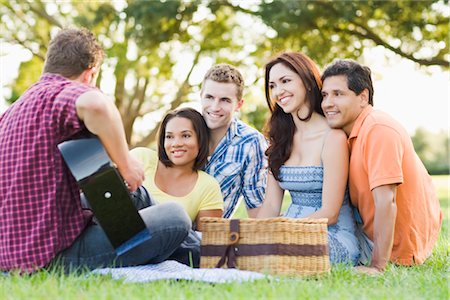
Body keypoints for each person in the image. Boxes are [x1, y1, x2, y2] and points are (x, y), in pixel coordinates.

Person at [0, 28, 191, 273]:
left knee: (132, 193)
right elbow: (95, 105)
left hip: (16, 248)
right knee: (175, 218)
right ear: (90, 75)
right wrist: (126, 164)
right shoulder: (59, 93)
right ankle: (210, 248)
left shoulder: (12, 112)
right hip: (50, 259)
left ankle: (205, 244)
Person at [320, 59, 442, 274]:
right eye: (324, 95)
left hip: (395, 248)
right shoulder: (352, 132)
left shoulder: (378, 128)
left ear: (363, 97)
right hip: (369, 231)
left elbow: (387, 200)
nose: (327, 103)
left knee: (300, 250)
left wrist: (377, 266)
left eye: (338, 94)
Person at [257, 52, 360, 265]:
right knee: (244, 252)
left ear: (307, 81)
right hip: (289, 232)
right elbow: (270, 206)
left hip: (331, 235)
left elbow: (330, 213)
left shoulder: (333, 137)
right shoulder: (280, 140)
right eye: (273, 85)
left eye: (285, 81)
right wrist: (252, 236)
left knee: (275, 256)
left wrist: (284, 233)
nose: (278, 91)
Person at [130, 107, 223, 229]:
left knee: (177, 217)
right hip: (118, 237)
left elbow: (206, 243)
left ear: (201, 140)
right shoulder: (141, 157)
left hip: (166, 245)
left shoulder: (208, 186)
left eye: (185, 136)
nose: (176, 143)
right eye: (169, 137)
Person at [200, 63, 268, 218]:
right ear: (201, 96)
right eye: (209, 97)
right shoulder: (184, 129)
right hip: (169, 227)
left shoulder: (251, 143)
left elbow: (256, 208)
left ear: (239, 105)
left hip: (209, 236)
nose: (215, 107)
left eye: (224, 100)